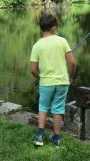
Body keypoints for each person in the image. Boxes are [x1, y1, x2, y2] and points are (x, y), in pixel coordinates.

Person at [30, 14, 75, 146]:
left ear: (40, 27)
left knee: (43, 107)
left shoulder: (37, 45)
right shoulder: (62, 41)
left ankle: (39, 137)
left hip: (46, 83)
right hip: (62, 82)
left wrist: (39, 78)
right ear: (53, 28)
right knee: (58, 109)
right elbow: (72, 63)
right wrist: (70, 77)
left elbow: (32, 70)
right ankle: (56, 138)